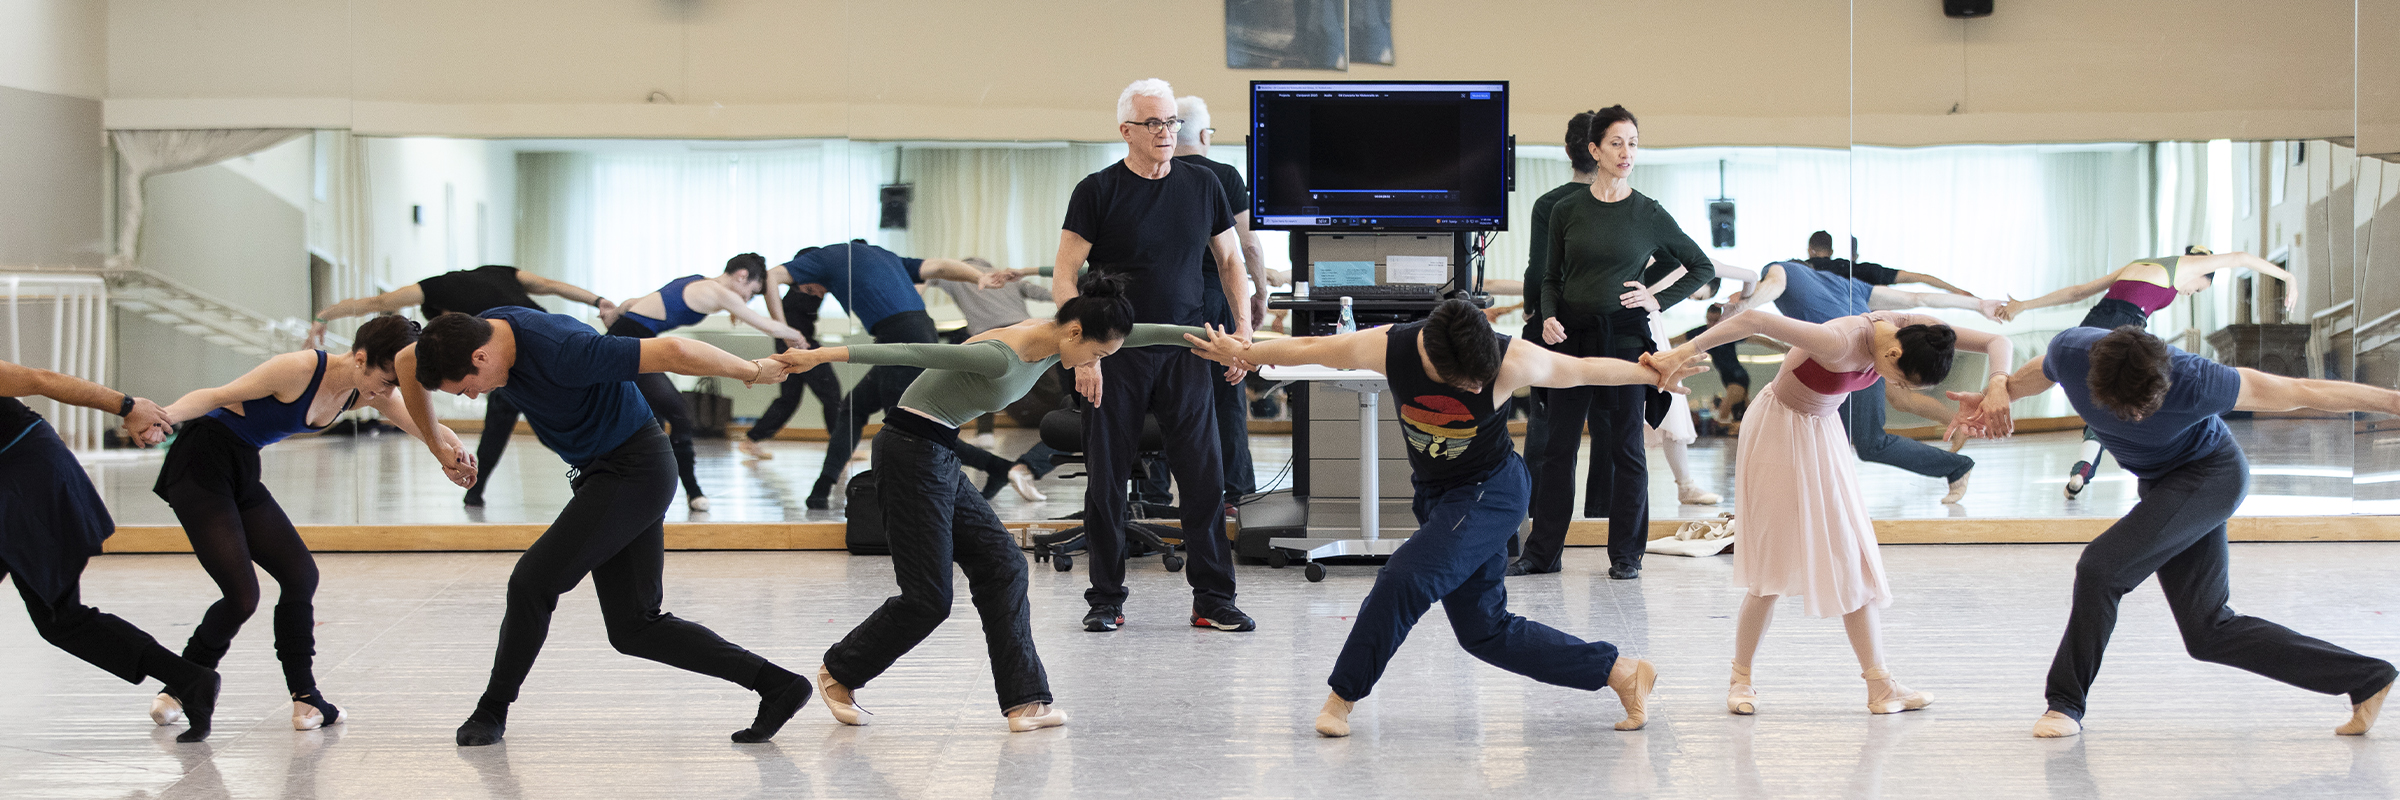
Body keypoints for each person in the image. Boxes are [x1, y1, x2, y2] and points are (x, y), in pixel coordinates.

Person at [1183, 300, 1698, 736]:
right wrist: (1245, 353)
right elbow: (1311, 349)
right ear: (1430, 355)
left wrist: (1653, 371)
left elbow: (1585, 369)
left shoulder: (1511, 359)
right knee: (1485, 633)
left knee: (1404, 578)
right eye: (1462, 382)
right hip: (1437, 495)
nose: (1476, 390)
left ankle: (1341, 699)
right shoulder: (1392, 347)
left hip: (1491, 491)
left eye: (1481, 381)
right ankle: (1622, 672)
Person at [769, 272, 1223, 733]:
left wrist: (1216, 342)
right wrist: (820, 355)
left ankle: (1025, 702)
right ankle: (840, 673)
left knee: (1004, 566)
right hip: (908, 452)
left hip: (937, 450)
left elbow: (1145, 334)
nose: (1096, 364)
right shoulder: (1001, 357)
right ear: (1074, 333)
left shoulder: (1056, 336)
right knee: (928, 599)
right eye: (1098, 354)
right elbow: (907, 352)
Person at [1950, 326, 2397, 738]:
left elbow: (2303, 390)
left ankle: (2064, 704)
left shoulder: (2200, 379)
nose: (2136, 418)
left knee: (2101, 568)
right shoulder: (2071, 352)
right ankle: (2366, 679)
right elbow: (2041, 371)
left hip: (2210, 475)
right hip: (2162, 485)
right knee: (2208, 631)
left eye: (2147, 407)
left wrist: (2394, 403)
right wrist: (1998, 391)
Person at [397, 306, 813, 746]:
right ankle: (778, 685)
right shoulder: (468, 333)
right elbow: (408, 362)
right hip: (608, 473)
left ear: (481, 358)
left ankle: (491, 710)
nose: (472, 398)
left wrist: (753, 370)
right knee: (635, 627)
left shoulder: (565, 349)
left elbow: (673, 349)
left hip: (633, 470)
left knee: (532, 583)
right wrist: (438, 446)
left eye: (466, 389)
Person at [1648, 305, 2015, 718]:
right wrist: (1681, 353)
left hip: (1822, 429)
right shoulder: (1840, 340)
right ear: (1892, 356)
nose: (1893, 387)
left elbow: (1996, 340)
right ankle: (1740, 679)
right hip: (1777, 430)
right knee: (1771, 565)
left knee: (1854, 556)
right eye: (1897, 379)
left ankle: (1881, 686)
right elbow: (1753, 318)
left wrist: (1998, 384)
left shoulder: (1914, 330)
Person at [147, 316, 461, 734]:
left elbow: (421, 424)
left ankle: (306, 700)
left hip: (241, 467)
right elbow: (215, 396)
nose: (386, 392)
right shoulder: (297, 370)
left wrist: (453, 452)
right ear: (360, 357)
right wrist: (159, 417)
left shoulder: (361, 390)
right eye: (385, 381)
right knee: (242, 596)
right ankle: (180, 687)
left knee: (300, 575)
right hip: (199, 462)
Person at [1052, 78, 1254, 633]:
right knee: (1107, 478)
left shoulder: (1203, 185)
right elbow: (1065, 276)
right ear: (1126, 131)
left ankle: (1213, 598)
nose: (1166, 133)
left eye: (1171, 123)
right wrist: (1083, 354)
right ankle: (1105, 599)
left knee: (1204, 476)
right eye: (1153, 124)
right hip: (1116, 352)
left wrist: (1241, 332)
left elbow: (1232, 263)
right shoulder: (1097, 190)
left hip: (1186, 348)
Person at [1516, 105, 1716, 581]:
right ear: (1594, 150)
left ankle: (1626, 555)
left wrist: (1655, 297)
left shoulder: (1648, 212)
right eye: (1616, 143)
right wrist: (1546, 317)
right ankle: (1542, 553)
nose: (1627, 153)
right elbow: (1549, 276)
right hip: (1569, 339)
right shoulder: (1566, 209)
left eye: (1633, 143)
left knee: (1627, 449)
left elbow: (1701, 265)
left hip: (1625, 341)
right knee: (1557, 449)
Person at [0, 360, 222, 742]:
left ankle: (190, 679)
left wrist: (127, 406)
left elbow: (41, 380)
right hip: (18, 481)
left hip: (28, 477)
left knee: (60, 617)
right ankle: (190, 679)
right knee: (60, 619)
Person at [306, 264, 615, 507]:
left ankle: (475, 490)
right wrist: (598, 300)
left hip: (517, 361)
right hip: (552, 344)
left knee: (512, 427)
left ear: (441, 317)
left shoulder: (434, 289)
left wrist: (324, 315)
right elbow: (550, 286)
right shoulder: (498, 272)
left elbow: (379, 302)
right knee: (545, 426)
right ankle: (477, 490)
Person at [1997, 248, 2299, 497]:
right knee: (2121, 397)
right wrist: (2288, 276)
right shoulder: (2186, 266)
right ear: (2200, 270)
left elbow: (2078, 292)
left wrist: (2024, 305)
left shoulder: (2137, 264)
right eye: (2198, 289)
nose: (2190, 293)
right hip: (2123, 329)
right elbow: (2241, 258)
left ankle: (2075, 464)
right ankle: (2083, 468)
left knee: (2085, 389)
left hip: (2090, 325)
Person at [1718, 260, 2005, 503]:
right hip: (1863, 358)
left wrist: (1746, 305)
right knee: (1872, 418)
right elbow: (1917, 299)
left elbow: (1773, 285)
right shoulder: (1843, 282)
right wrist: (1977, 304)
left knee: (1871, 443)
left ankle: (1956, 466)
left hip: (1852, 360)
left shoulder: (1781, 270)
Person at [764, 242, 1019, 508]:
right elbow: (940, 266)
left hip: (903, 339)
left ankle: (997, 467)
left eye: (807, 288)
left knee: (908, 429)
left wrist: (783, 332)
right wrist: (978, 276)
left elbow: (770, 276)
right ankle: (822, 487)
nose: (816, 294)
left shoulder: (824, 258)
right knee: (854, 407)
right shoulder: (883, 256)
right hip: (908, 335)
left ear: (807, 272)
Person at [605, 253, 816, 512]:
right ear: (741, 275)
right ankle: (693, 492)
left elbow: (631, 304)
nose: (747, 298)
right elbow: (768, 326)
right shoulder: (718, 292)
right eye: (751, 291)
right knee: (680, 414)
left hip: (626, 344)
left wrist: (614, 314)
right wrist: (799, 339)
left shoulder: (695, 281)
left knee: (655, 418)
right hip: (631, 347)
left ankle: (644, 492)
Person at [1174, 94, 1272, 505]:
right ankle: (1239, 497)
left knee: (1166, 400)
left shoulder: (1154, 174)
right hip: (1215, 302)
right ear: (1202, 133)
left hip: (1166, 303)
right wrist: (1259, 293)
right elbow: (1245, 246)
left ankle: (1155, 495)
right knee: (1227, 398)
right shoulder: (1223, 176)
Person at [1518, 110, 1614, 526]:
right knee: (1610, 423)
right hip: (1607, 326)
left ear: (1568, 150)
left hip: (1554, 324)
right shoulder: (1626, 203)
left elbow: (1539, 269)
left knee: (1548, 425)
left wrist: (1530, 308)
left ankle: (1537, 517)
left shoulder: (1550, 203)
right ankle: (1601, 517)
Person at [920, 258, 1059, 501]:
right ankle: (1064, 424)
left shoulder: (959, 277)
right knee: (1051, 389)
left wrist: (915, 298)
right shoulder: (1002, 275)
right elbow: (1040, 293)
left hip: (990, 338)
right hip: (1025, 332)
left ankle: (986, 433)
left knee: (982, 381)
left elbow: (930, 274)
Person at [734, 282, 848, 468]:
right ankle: (842, 448)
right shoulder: (798, 293)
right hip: (800, 345)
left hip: (791, 343)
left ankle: (751, 440)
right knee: (831, 394)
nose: (822, 292)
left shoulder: (805, 290)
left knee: (789, 399)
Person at [1795, 231, 1978, 297]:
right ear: (1833, 252)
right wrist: (1956, 291)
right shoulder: (1860, 270)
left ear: (1810, 250)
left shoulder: (1802, 269)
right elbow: (1918, 277)